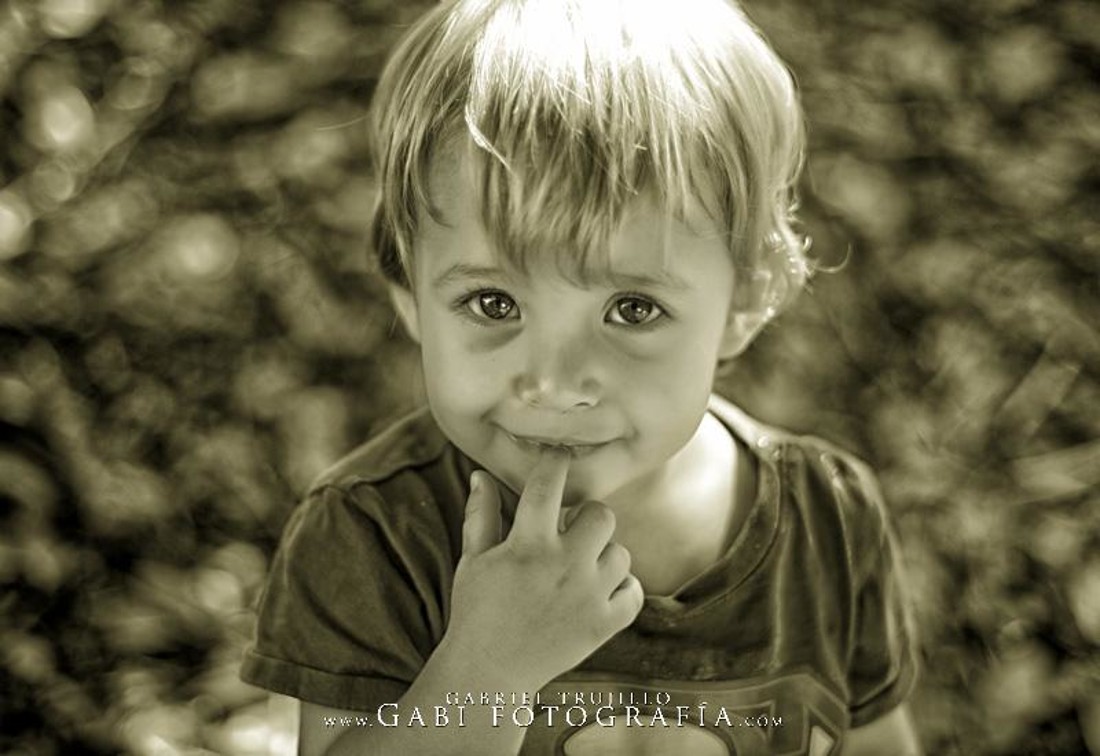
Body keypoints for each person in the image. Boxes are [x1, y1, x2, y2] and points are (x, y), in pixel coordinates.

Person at [240, 0, 922, 753]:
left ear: (748, 299)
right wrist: (486, 671)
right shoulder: (374, 539)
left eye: (633, 308)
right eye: (493, 302)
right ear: (408, 290)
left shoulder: (829, 521)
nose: (557, 383)